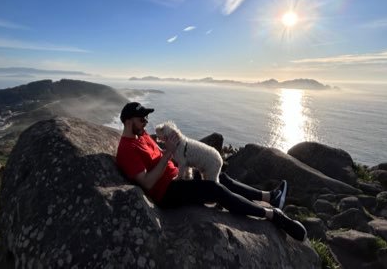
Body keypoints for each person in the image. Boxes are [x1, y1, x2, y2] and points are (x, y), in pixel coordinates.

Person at [116, 102, 307, 242]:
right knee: (213, 189)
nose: (146, 122)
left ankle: (268, 197)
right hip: (167, 191)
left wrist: (173, 144)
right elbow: (147, 182)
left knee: (220, 176)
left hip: (177, 177)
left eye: (146, 118)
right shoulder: (127, 149)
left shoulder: (141, 137)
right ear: (128, 121)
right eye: (142, 119)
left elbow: (157, 153)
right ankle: (272, 215)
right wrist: (168, 155)